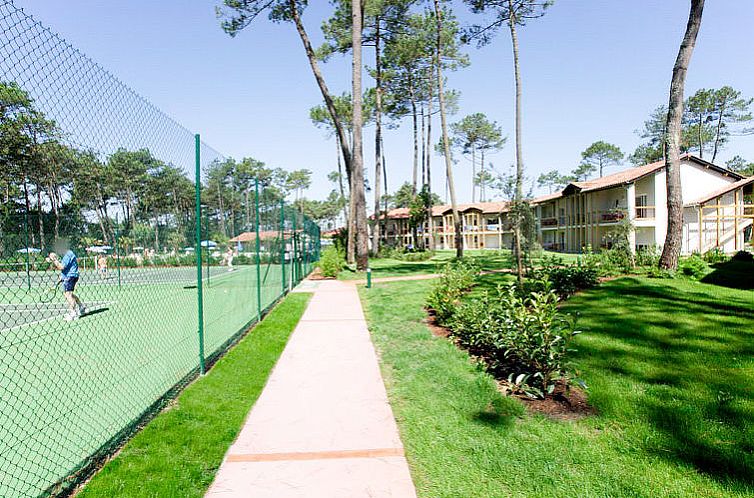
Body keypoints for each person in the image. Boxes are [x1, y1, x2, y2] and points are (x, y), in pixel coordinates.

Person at [47, 241, 86, 321]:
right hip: (69, 276)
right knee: (68, 294)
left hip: (70, 277)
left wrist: (54, 259)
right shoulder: (66, 255)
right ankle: (81, 306)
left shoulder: (68, 254)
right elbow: (65, 269)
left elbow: (61, 267)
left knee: (68, 295)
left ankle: (73, 313)